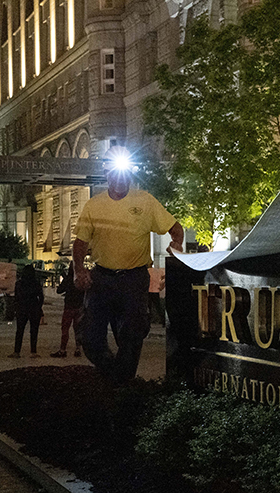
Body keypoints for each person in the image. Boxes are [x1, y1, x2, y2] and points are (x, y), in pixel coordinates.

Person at [73, 147, 184, 384]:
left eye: (125, 175)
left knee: (133, 334)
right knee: (90, 338)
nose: (120, 179)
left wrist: (176, 242)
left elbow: (176, 228)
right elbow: (80, 243)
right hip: (101, 278)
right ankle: (115, 374)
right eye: (115, 174)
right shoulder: (94, 206)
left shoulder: (145, 202)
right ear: (108, 176)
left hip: (133, 279)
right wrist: (79, 270)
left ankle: (122, 385)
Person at [10, 264, 45, 358]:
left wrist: (16, 307)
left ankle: (17, 352)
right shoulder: (36, 283)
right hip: (34, 309)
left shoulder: (19, 284)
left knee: (19, 331)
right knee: (34, 331)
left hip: (22, 309)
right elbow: (41, 297)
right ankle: (33, 352)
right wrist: (38, 307)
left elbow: (16, 297)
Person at [51, 266, 84, 358]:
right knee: (78, 329)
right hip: (79, 307)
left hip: (69, 307)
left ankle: (63, 350)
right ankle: (78, 349)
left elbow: (59, 291)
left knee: (65, 329)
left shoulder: (68, 279)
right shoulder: (80, 279)